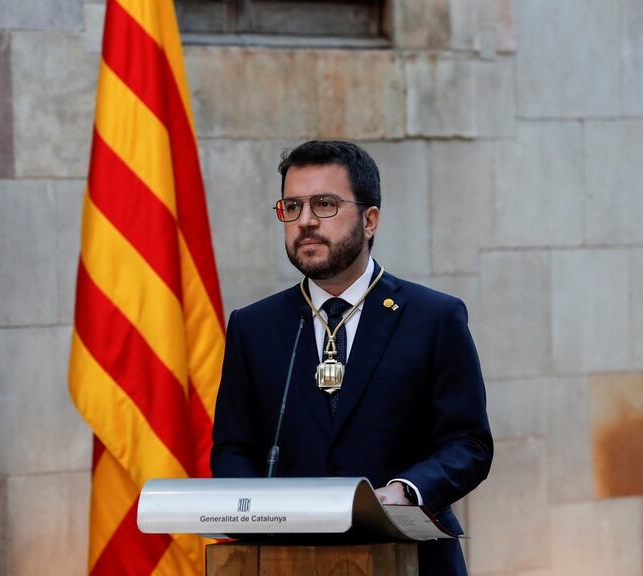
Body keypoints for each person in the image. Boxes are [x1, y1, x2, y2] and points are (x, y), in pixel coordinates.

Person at [210, 140, 493, 575]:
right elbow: (232, 449)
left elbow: (468, 444)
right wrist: (261, 510)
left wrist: (404, 491)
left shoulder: (433, 317)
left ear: (370, 219)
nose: (305, 221)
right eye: (292, 206)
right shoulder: (254, 326)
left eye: (324, 204)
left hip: (411, 559)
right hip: (286, 561)